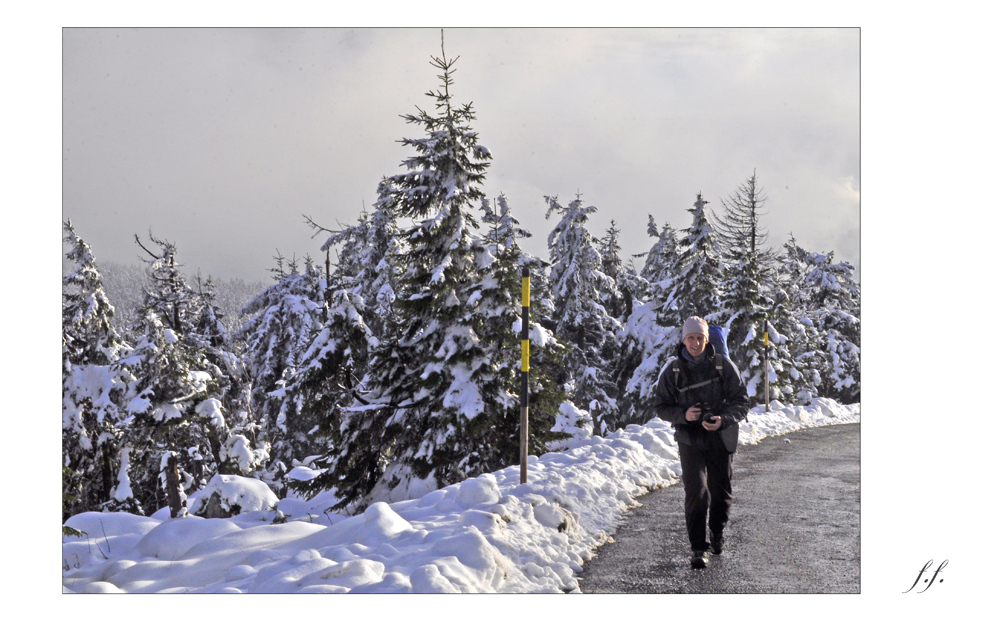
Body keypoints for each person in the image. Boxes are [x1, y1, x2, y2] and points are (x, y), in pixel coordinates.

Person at [653, 316, 750, 569]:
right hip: (690, 439)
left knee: (720, 492)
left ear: (707, 340)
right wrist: (683, 416)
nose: (695, 343)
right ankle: (698, 548)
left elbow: (742, 402)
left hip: (720, 437)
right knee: (696, 492)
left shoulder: (723, 366)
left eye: (700, 338)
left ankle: (717, 532)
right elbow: (660, 406)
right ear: (683, 340)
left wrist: (723, 420)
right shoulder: (673, 370)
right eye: (690, 338)